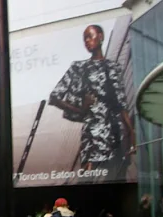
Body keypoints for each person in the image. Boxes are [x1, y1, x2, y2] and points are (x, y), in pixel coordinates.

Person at [49, 24, 136, 179]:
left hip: (115, 136)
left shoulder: (113, 67)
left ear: (101, 37)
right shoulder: (79, 67)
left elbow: (122, 103)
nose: (87, 41)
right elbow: (54, 97)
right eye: (85, 39)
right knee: (91, 182)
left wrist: (131, 132)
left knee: (116, 182)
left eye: (90, 36)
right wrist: (81, 109)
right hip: (92, 138)